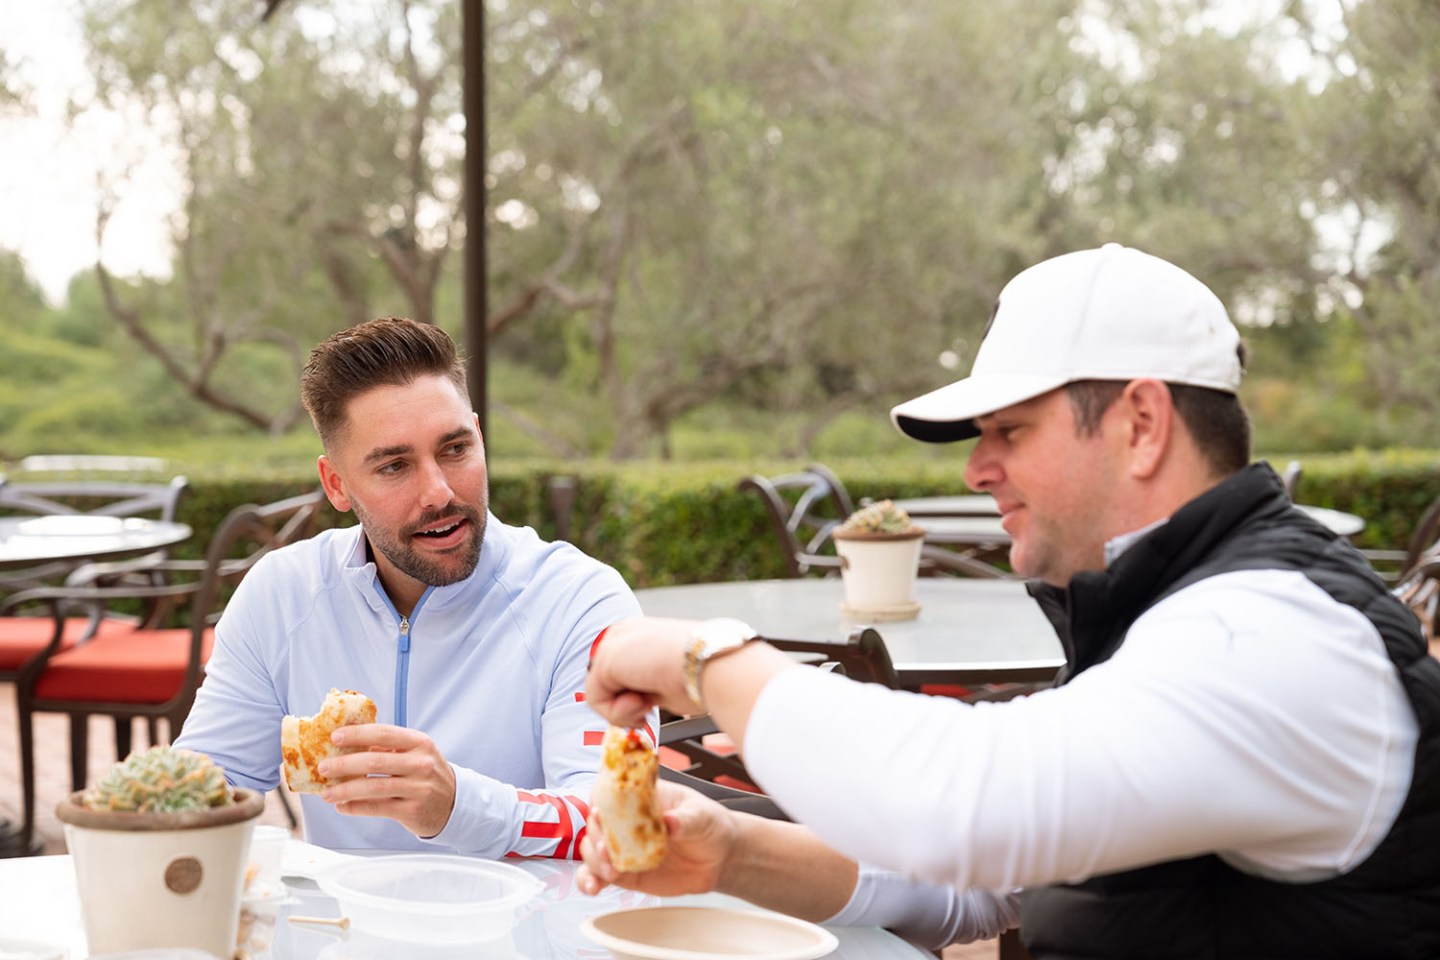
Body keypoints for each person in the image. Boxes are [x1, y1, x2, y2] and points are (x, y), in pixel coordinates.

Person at [579, 244, 1440, 957]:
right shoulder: (1178, 612)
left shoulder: (1269, 634)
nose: (975, 469)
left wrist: (704, 658)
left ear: (1142, 425)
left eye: (1010, 431)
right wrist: (732, 852)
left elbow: (963, 805)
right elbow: (987, 882)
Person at [175, 316, 649, 857]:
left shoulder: (580, 600)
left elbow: (618, 822)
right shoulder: (280, 594)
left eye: (454, 449)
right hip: (343, 936)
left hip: (527, 937)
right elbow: (209, 783)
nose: (439, 492)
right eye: (395, 466)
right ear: (337, 484)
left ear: (479, 436)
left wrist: (455, 806)